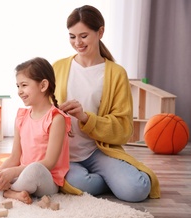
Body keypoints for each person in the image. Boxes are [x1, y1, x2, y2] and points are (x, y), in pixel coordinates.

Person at [53, 5, 160, 202]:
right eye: (72, 36)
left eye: (83, 36)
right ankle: (111, 180)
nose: (77, 42)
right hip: (66, 153)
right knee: (76, 183)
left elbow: (124, 128)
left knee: (137, 189)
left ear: (100, 32)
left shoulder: (116, 73)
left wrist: (85, 117)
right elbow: (43, 110)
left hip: (98, 151)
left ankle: (116, 178)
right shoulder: (57, 67)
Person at [0, 57, 71, 204]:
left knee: (34, 169)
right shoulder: (22, 116)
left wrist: (12, 173)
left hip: (43, 179)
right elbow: (14, 157)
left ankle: (4, 191)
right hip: (19, 176)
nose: (20, 91)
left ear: (43, 85)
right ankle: (10, 192)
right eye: (18, 86)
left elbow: (49, 163)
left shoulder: (56, 119)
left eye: (24, 85)